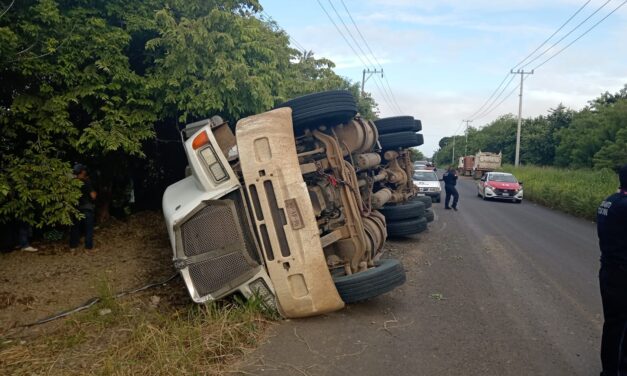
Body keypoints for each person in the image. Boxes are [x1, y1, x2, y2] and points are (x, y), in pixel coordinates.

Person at [597, 164, 627, 376]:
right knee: (620, 325)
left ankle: (613, 369)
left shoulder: (609, 200)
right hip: (621, 273)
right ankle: (613, 371)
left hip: (609, 269)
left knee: (614, 323)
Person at [69, 164, 97, 250]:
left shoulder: (72, 183)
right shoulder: (86, 182)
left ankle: (73, 247)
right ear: (82, 172)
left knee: (75, 228)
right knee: (88, 229)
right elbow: (93, 196)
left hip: (76, 209)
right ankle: (88, 247)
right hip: (87, 208)